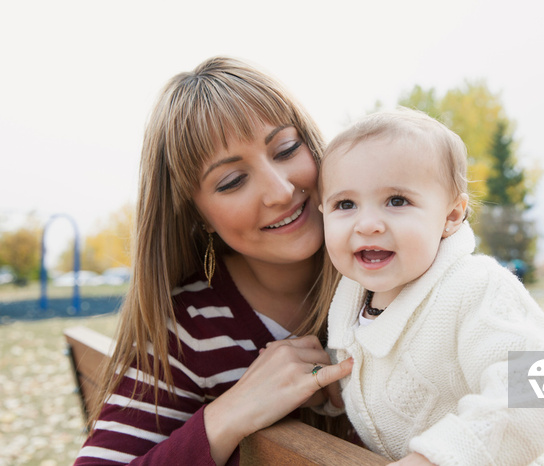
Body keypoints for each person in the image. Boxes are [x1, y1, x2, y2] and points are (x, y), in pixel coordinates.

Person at [75, 56, 353, 465]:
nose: (279, 191)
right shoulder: (189, 327)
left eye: (287, 149)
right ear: (200, 216)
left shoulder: (395, 270)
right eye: (232, 181)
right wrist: (230, 414)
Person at [318, 108, 544, 465]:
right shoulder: (349, 298)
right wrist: (329, 392)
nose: (368, 223)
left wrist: (436, 458)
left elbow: (536, 386)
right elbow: (376, 384)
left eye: (397, 200)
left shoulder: (475, 286)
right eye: (345, 204)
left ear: (451, 216)